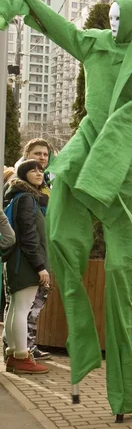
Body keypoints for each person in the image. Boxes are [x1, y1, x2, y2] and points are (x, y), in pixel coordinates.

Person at [0, 0, 132, 414]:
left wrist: (108, 149)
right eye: (109, 18)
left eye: (119, 18)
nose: (112, 24)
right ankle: (83, 354)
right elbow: (56, 27)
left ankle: (124, 393)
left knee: (119, 274)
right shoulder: (92, 44)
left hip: (122, 166)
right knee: (62, 241)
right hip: (85, 149)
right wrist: (23, 0)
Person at [3, 160, 50, 374]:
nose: (39, 173)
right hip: (26, 261)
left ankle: (14, 353)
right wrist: (40, 266)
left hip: (18, 260)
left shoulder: (17, 197)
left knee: (16, 308)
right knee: (22, 309)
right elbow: (29, 236)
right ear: (24, 174)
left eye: (41, 170)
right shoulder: (27, 199)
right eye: (33, 170)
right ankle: (21, 356)